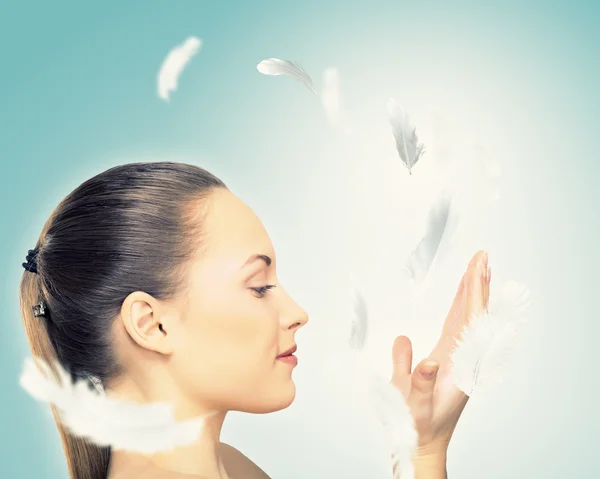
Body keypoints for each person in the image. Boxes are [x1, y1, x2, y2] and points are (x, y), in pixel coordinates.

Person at [19, 161, 490, 479]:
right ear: (152, 324)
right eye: (259, 286)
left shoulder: (228, 467)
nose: (297, 314)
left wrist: (422, 449)